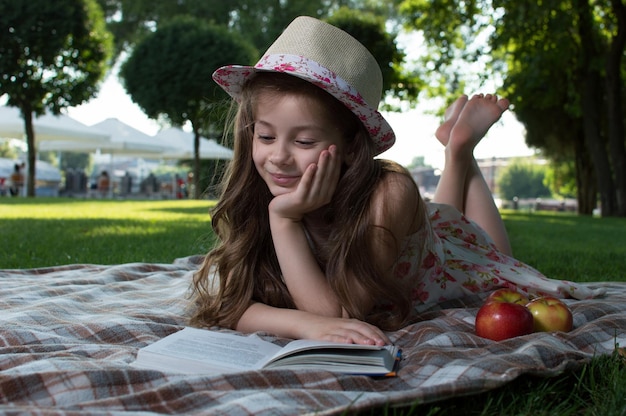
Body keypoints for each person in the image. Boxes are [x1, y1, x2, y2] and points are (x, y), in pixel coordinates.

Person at [190, 16, 602, 346]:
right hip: (419, 235)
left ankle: (461, 152)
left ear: (352, 148)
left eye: (303, 140)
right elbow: (229, 306)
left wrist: (284, 219)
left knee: (492, 250)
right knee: (437, 220)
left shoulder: (391, 190)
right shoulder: (258, 191)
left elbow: (336, 314)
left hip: (447, 258)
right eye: (265, 136)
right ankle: (456, 149)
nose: (278, 156)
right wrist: (304, 326)